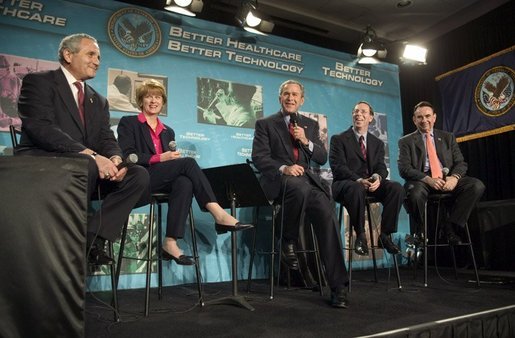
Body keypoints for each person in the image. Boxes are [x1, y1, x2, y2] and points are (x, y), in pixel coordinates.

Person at [16, 33, 150, 265]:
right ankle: (66, 240)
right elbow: (40, 128)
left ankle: (92, 238)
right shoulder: (40, 81)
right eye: (90, 54)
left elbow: (105, 137)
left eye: (98, 56)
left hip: (84, 168)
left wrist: (116, 158)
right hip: (44, 161)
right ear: (68, 55)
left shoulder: (97, 100)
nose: (97, 61)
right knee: (86, 164)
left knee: (137, 174)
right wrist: (92, 156)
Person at [117, 79, 253, 265]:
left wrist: (167, 160)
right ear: (141, 101)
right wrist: (159, 158)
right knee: (188, 163)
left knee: (185, 182)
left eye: (157, 97)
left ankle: (170, 242)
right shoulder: (129, 122)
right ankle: (218, 213)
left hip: (160, 179)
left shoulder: (167, 131)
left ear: (162, 102)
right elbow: (128, 155)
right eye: (148, 96)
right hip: (139, 179)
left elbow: (168, 165)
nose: (153, 100)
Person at [252, 79, 349, 308]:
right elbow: (259, 157)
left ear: (302, 100)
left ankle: (338, 286)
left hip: (307, 182)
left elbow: (321, 157)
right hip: (280, 180)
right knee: (298, 186)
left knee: (326, 210)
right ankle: (287, 239)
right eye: (286, 94)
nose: (290, 98)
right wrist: (283, 168)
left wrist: (305, 140)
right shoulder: (265, 124)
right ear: (280, 98)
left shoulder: (310, 125)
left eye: (295, 95)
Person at [398, 101, 485, 244]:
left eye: (427, 116)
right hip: (423, 181)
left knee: (476, 185)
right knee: (413, 193)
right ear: (414, 119)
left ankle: (450, 226)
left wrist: (454, 178)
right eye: (420, 117)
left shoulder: (447, 137)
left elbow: (460, 163)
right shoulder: (406, 141)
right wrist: (427, 179)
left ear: (434, 117)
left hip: (446, 178)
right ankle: (421, 232)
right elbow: (404, 169)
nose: (424, 120)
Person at [329, 101, 404, 256]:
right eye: (356, 111)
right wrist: (358, 180)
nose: (359, 114)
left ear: (371, 118)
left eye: (363, 112)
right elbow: (338, 167)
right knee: (356, 188)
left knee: (396, 188)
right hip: (346, 185)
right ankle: (361, 236)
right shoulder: (339, 139)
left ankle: (385, 235)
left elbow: (381, 167)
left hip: (370, 185)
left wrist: (377, 177)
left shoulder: (377, 143)